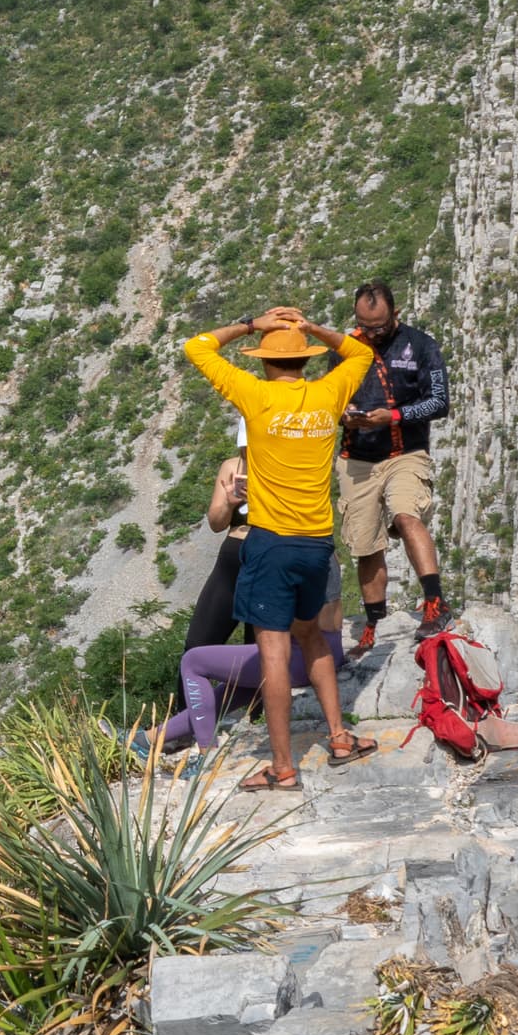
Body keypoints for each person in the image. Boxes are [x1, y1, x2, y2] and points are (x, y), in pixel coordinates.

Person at [181, 306, 377, 789]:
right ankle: (339, 737)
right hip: (317, 544)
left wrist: (249, 325)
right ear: (305, 361)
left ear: (266, 362)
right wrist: (313, 330)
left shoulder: (256, 396)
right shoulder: (329, 394)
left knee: (272, 649)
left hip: (270, 544)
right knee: (310, 636)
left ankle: (283, 767)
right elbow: (361, 351)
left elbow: (197, 346)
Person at [336, 281, 452, 651]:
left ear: (396, 315)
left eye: (379, 327)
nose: (371, 333)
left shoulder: (421, 346)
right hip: (357, 457)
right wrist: (345, 417)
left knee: (406, 514)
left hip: (406, 451)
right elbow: (330, 397)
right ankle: (375, 624)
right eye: (364, 326)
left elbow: (439, 402)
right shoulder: (345, 348)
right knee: (366, 544)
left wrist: (395, 416)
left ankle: (435, 601)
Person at [159, 455, 269, 755]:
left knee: (259, 645)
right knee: (197, 643)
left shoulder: (285, 458)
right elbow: (216, 522)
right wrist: (231, 502)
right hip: (233, 555)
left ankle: (260, 719)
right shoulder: (233, 466)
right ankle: (186, 725)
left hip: (271, 554)